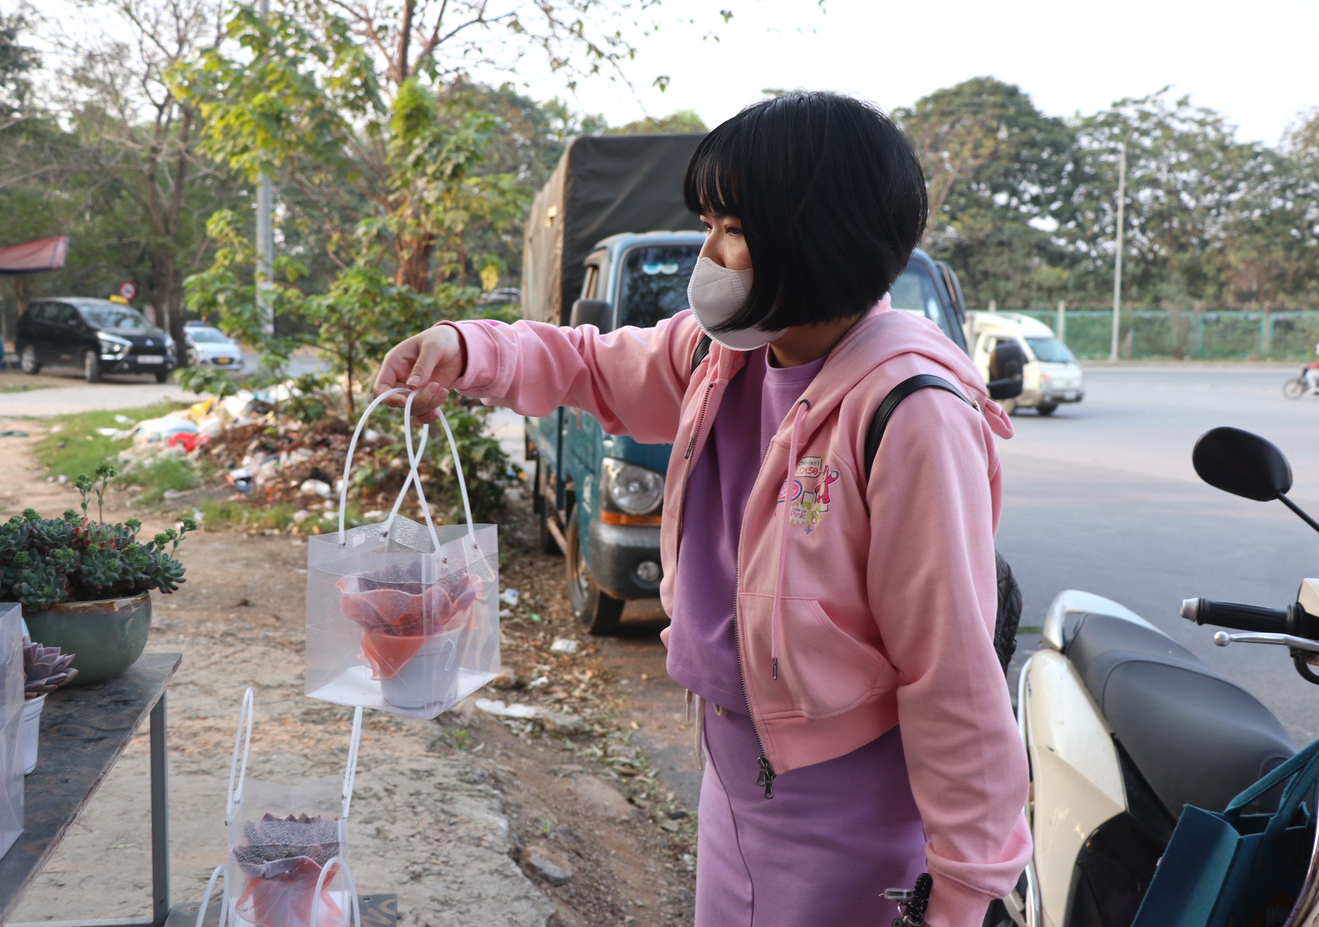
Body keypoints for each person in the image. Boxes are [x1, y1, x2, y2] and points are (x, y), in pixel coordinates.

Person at [376, 92, 1030, 927]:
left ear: (815, 234)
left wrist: (968, 888)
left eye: (730, 226)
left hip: (845, 812)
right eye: (708, 221)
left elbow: (953, 672)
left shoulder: (909, 413)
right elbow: (590, 365)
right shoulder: (725, 354)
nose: (708, 250)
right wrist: (467, 349)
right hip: (733, 774)